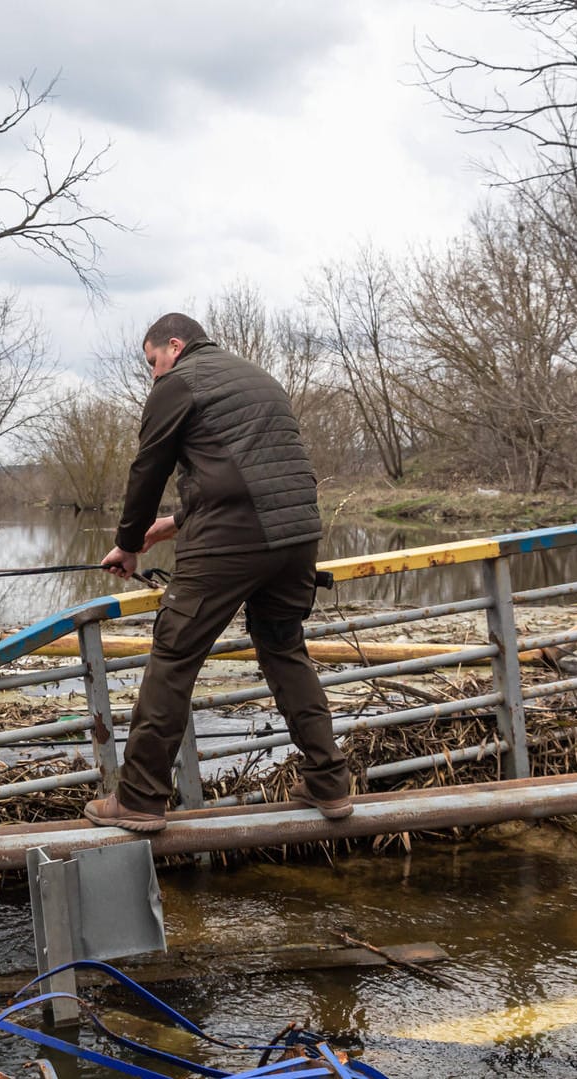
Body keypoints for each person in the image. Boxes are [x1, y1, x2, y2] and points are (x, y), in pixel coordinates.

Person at [83, 313, 354, 833]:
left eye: (152, 362)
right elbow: (249, 473)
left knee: (174, 655)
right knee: (283, 648)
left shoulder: (178, 383)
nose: (153, 376)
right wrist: (169, 526)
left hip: (233, 541)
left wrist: (126, 543)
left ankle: (139, 797)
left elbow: (149, 467)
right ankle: (329, 780)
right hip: (297, 538)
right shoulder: (258, 378)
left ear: (175, 346)